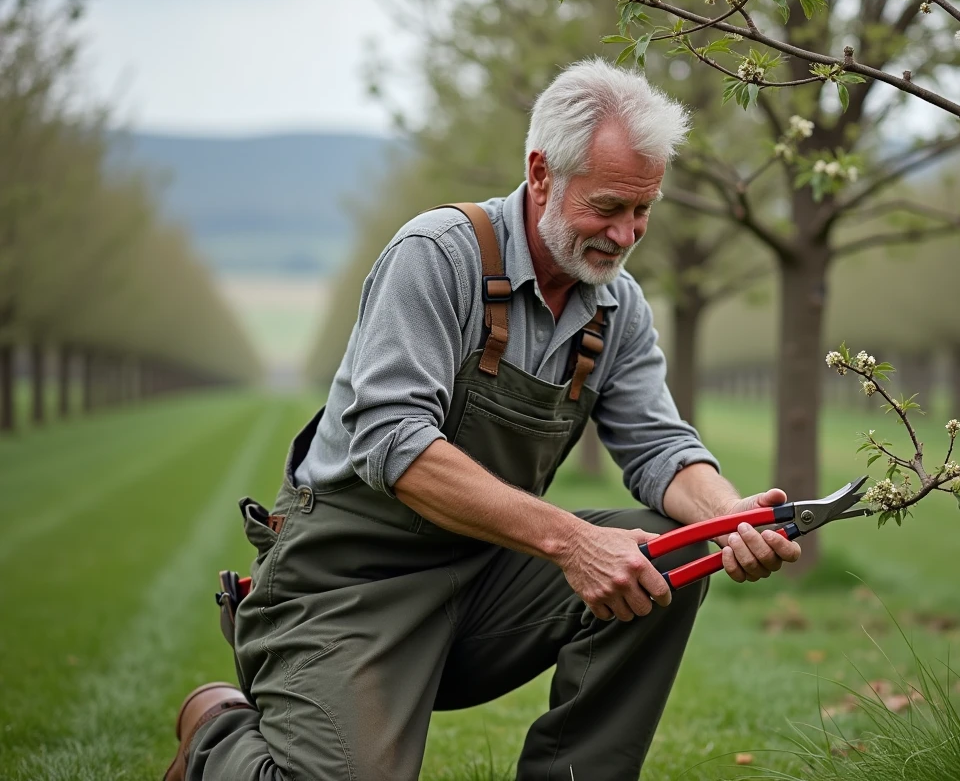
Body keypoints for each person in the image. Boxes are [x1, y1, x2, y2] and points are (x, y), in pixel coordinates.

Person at [165, 58, 801, 781]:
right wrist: (571, 542)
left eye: (642, 210)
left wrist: (729, 519)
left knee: (675, 552)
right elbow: (394, 445)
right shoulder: (437, 256)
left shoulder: (617, 309)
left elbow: (659, 446)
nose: (626, 236)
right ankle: (217, 729)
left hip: (484, 579)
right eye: (608, 208)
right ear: (540, 175)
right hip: (345, 585)